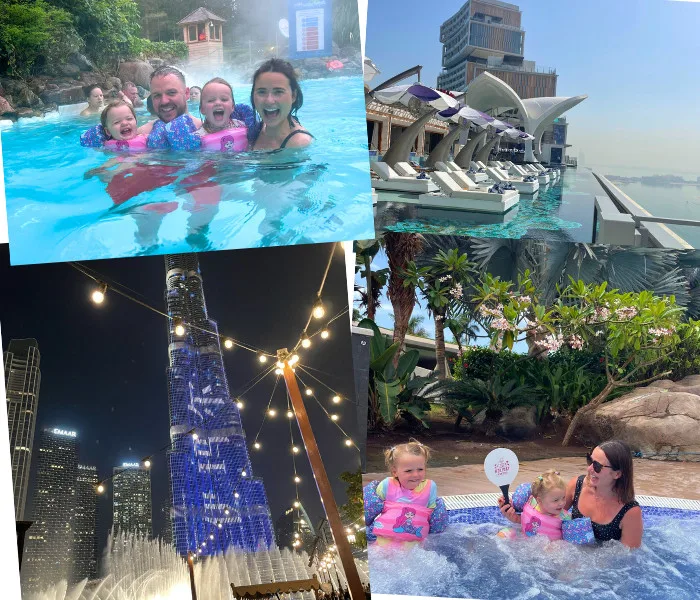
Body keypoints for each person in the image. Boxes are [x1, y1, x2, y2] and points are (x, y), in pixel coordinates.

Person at [499, 440, 643, 548]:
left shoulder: (630, 512)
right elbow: (550, 514)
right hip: (564, 552)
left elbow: (627, 560)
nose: (589, 468)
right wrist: (518, 519)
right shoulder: (577, 485)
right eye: (589, 460)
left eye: (597, 466)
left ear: (617, 474)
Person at [363, 440, 448, 544]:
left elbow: (434, 518)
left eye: (420, 469)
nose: (416, 475)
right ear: (395, 471)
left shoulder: (430, 488)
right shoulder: (386, 485)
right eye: (409, 471)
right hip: (383, 541)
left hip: (415, 545)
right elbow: (370, 509)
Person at [249, 58, 313, 150]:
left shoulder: (299, 144)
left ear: (293, 96)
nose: (269, 100)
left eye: (278, 92)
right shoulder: (254, 129)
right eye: (262, 92)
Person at [497, 470, 571, 541]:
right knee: (504, 534)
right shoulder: (531, 503)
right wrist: (506, 503)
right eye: (556, 500)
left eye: (563, 497)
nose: (561, 503)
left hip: (545, 548)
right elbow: (524, 520)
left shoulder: (565, 517)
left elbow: (568, 539)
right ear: (539, 500)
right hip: (524, 539)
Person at [138, 66, 202, 137]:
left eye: (171, 93)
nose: (164, 101)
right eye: (157, 95)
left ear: (186, 93)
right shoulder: (141, 134)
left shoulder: (205, 130)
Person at [196, 78, 247, 152]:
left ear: (232, 107)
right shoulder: (198, 137)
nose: (218, 103)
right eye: (211, 100)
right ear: (202, 109)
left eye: (224, 99)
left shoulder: (242, 125)